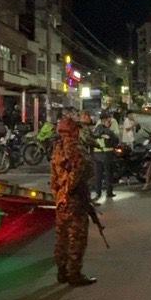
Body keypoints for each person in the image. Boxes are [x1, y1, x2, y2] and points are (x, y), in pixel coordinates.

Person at [50, 118, 96, 286]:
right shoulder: (75, 148)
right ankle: (74, 274)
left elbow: (53, 176)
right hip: (74, 199)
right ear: (74, 131)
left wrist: (58, 194)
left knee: (61, 236)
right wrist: (68, 191)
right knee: (76, 237)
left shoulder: (58, 147)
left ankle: (62, 271)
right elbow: (79, 171)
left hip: (61, 200)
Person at [92, 111, 120, 200]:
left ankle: (98, 192)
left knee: (98, 174)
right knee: (108, 174)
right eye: (108, 120)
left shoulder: (96, 129)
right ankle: (109, 192)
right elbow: (116, 140)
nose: (110, 121)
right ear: (105, 120)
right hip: (107, 153)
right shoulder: (109, 131)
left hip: (97, 154)